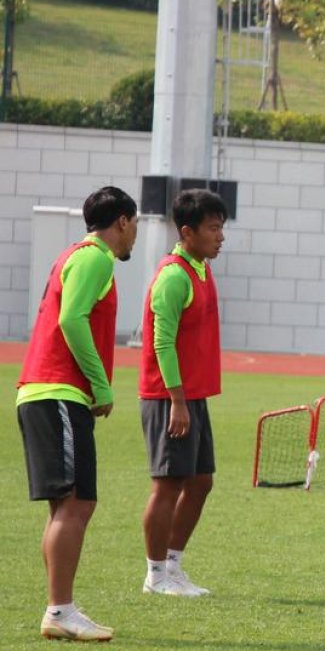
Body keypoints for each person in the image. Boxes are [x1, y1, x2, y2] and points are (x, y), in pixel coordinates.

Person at [16, 187, 139, 642]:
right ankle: (60, 610)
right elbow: (72, 319)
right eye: (134, 224)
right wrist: (101, 385)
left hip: (45, 392)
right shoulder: (96, 258)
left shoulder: (73, 255)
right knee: (77, 503)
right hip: (59, 392)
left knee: (64, 506)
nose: (134, 234)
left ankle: (59, 606)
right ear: (122, 222)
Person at [139, 189, 227, 597]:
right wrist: (176, 400)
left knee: (201, 481)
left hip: (192, 395)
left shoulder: (201, 269)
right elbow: (161, 342)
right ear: (187, 232)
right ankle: (156, 574)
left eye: (221, 227)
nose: (220, 236)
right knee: (169, 484)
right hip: (169, 397)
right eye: (213, 228)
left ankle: (172, 566)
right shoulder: (174, 276)